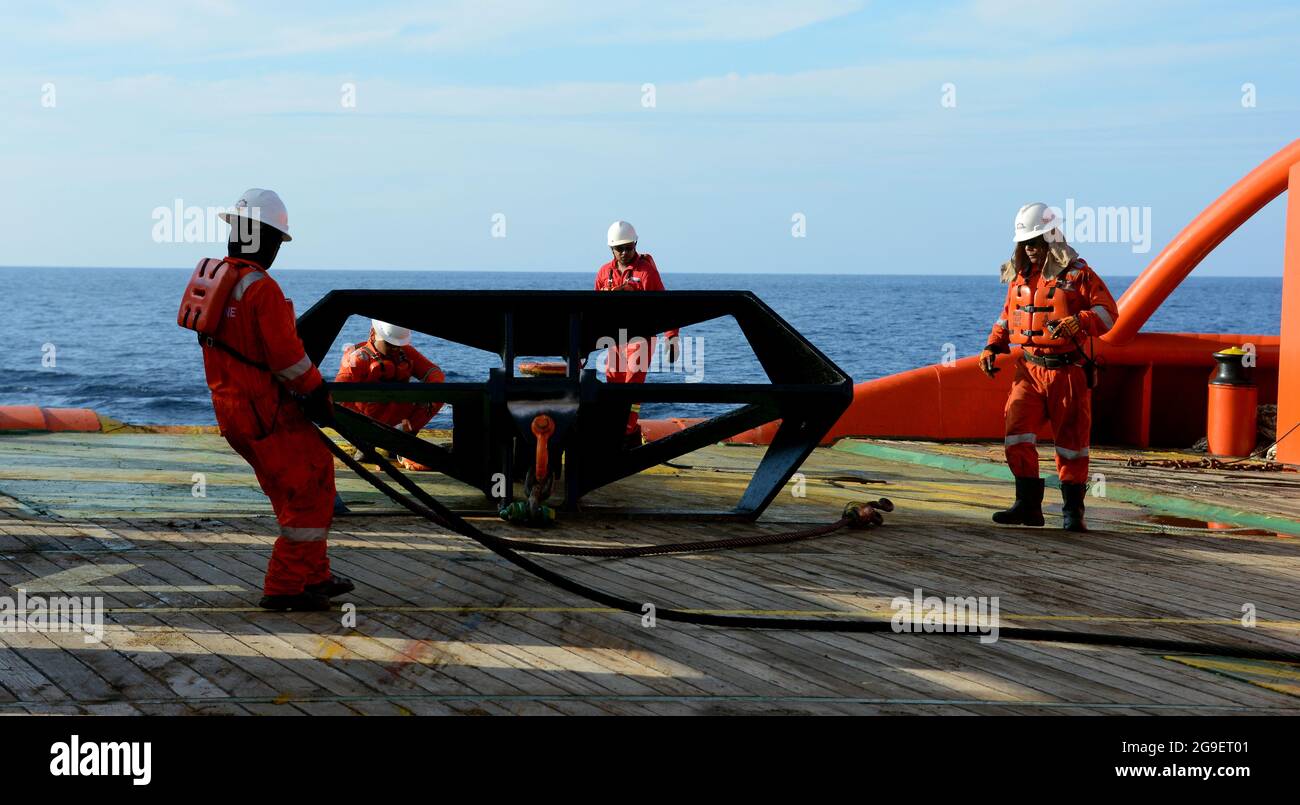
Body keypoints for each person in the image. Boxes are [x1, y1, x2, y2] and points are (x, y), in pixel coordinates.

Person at [202, 188, 353, 610]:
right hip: (265, 414)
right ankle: (287, 585)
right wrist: (317, 393)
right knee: (308, 488)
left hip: (235, 413)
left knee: (301, 484)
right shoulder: (261, 289)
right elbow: (287, 359)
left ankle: (313, 574)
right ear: (266, 240)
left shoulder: (220, 281)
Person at [979, 202, 1120, 532]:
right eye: (1025, 243)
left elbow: (1108, 313)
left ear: (1052, 240)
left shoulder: (1078, 275)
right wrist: (991, 346)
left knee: (1071, 444)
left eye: (1036, 242)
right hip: (1027, 370)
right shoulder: (1019, 279)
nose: (1030, 250)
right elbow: (1007, 317)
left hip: (1066, 371)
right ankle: (1027, 506)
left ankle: (1073, 512)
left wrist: (1078, 321)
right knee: (1016, 434)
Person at [594, 220, 680, 445]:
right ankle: (613, 429)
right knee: (613, 382)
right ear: (611, 249)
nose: (624, 253)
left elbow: (665, 305)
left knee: (632, 384)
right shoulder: (604, 272)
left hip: (640, 339)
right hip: (613, 339)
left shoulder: (646, 273)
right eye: (620, 249)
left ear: (635, 245)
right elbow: (593, 308)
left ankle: (627, 431)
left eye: (629, 248)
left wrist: (672, 338)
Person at [335, 320, 445, 470]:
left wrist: (431, 394)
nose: (394, 348)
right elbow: (340, 397)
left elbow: (434, 373)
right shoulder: (356, 359)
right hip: (367, 422)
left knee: (437, 395)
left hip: (400, 422)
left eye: (398, 344)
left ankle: (402, 440)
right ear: (373, 334)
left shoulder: (406, 353)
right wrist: (364, 429)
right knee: (364, 450)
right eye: (389, 343)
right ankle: (367, 444)